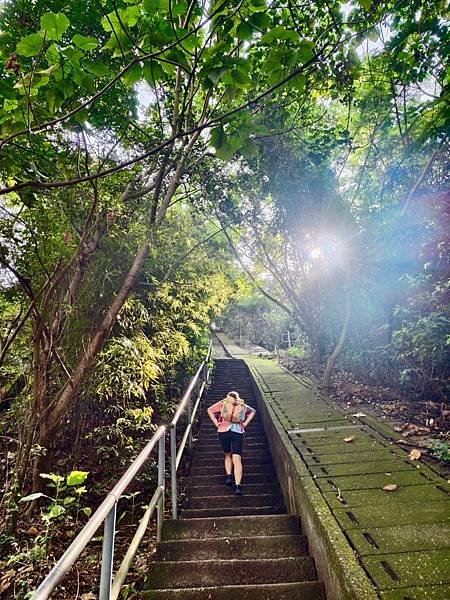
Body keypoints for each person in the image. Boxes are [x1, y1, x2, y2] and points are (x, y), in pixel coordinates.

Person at [207, 391, 256, 496]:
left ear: (228, 396)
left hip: (223, 431)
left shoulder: (223, 403)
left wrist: (216, 423)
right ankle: (238, 486)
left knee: (227, 454)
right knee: (237, 458)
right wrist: (245, 424)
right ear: (237, 397)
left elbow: (209, 410)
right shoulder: (241, 405)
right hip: (237, 431)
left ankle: (229, 476)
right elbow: (253, 411)